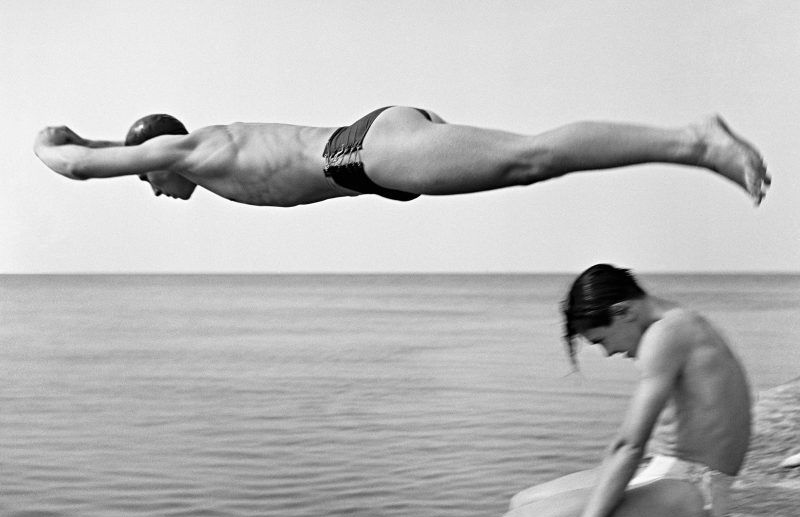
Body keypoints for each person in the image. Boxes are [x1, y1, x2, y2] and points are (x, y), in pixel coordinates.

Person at [486, 264, 752, 517]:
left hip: (695, 497)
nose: (608, 353)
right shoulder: (678, 322)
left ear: (624, 311)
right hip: (670, 475)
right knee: (520, 503)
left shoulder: (667, 334)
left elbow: (629, 445)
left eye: (601, 340)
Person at [34, 107, 769, 207]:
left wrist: (47, 141)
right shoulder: (189, 154)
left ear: (153, 156)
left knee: (531, 159)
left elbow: (74, 166)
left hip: (362, 152)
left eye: (145, 179)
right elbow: (98, 152)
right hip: (367, 157)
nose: (153, 190)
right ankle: (691, 143)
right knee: (527, 164)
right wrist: (89, 139)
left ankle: (693, 141)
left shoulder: (188, 149)